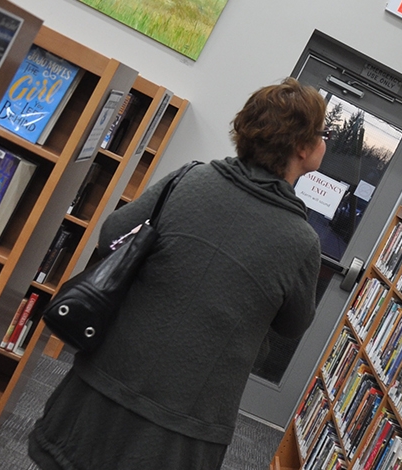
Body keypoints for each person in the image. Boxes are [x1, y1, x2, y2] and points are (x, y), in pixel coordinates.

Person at [28, 78, 327, 469]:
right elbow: (293, 324)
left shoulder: (188, 179)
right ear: (302, 148)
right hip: (184, 425)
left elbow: (112, 235)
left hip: (105, 383)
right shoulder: (301, 241)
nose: (325, 143)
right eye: (322, 134)